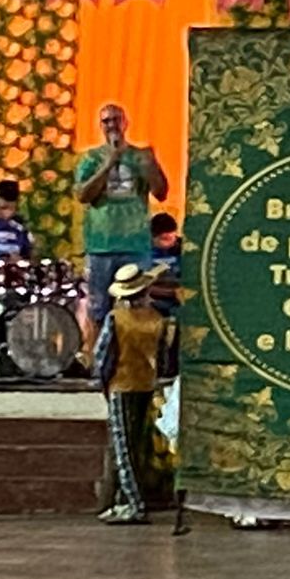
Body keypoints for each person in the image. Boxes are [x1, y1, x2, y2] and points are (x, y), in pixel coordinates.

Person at [93, 264, 176, 526]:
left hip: (122, 385)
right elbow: (163, 359)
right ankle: (127, 500)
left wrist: (103, 384)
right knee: (137, 446)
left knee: (123, 449)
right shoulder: (157, 319)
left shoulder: (116, 319)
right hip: (146, 385)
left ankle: (133, 504)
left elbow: (102, 357)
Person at [75, 104, 169, 333]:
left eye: (116, 119)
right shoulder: (91, 158)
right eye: (106, 121)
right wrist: (108, 163)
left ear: (126, 123)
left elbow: (161, 193)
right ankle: (98, 354)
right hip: (101, 246)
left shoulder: (140, 156)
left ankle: (134, 355)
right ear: (100, 126)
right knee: (98, 310)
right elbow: (83, 196)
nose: (111, 125)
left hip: (134, 245)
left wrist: (151, 167)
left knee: (136, 310)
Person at [149, 212, 183, 318]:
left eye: (173, 237)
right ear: (153, 237)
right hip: (153, 301)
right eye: (165, 239)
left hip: (180, 300)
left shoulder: (184, 249)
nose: (171, 242)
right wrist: (171, 292)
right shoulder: (142, 253)